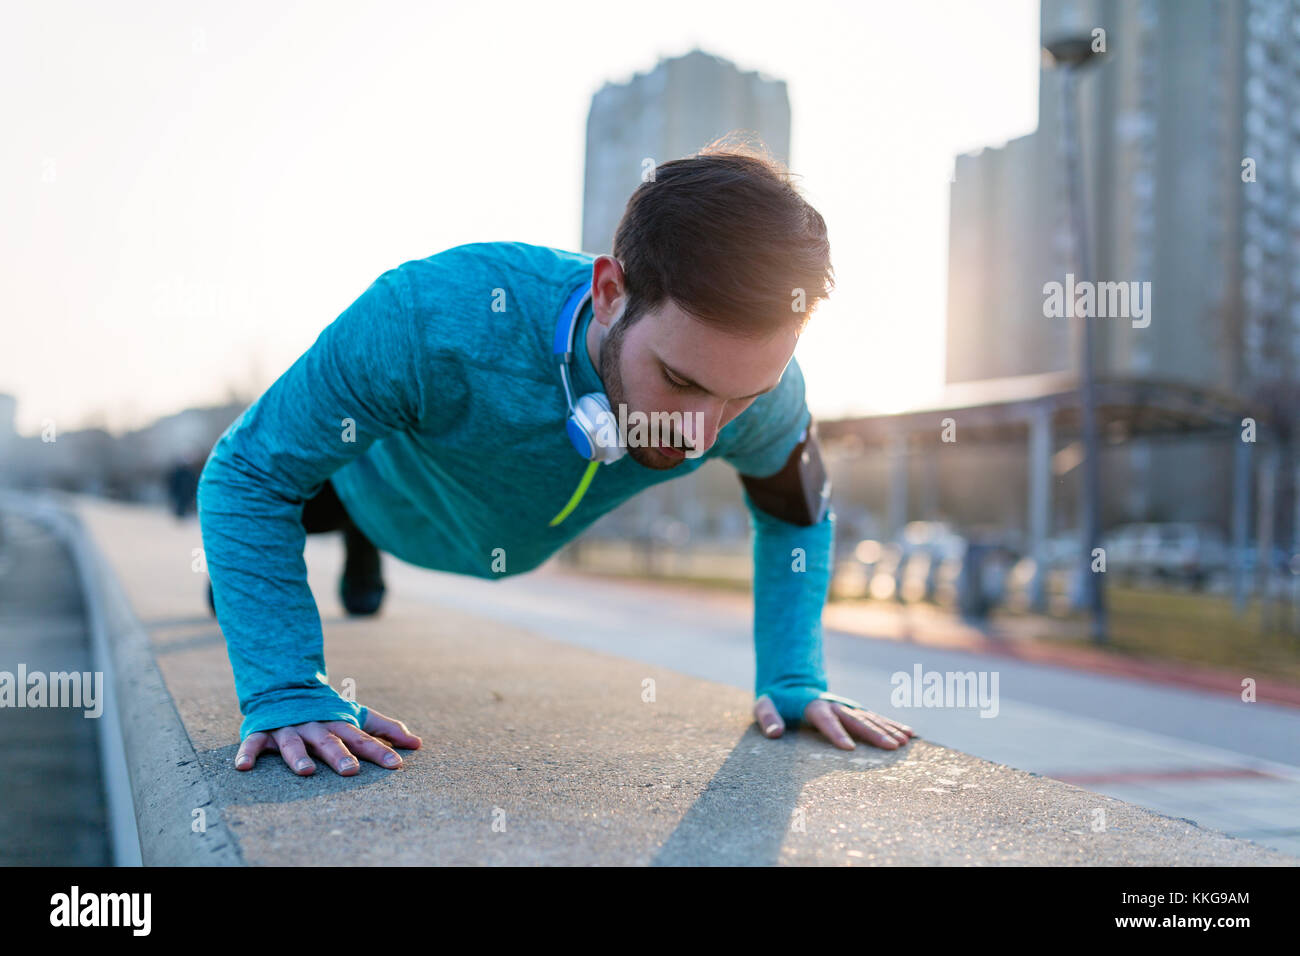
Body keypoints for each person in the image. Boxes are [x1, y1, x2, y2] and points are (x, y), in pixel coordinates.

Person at [198, 139, 916, 778]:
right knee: (275, 540)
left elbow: (797, 515)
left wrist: (793, 675)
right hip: (370, 484)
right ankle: (343, 549)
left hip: (488, 522)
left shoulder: (775, 397)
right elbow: (248, 472)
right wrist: (284, 686)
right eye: (683, 382)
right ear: (609, 293)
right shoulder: (427, 316)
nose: (703, 434)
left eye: (742, 396)